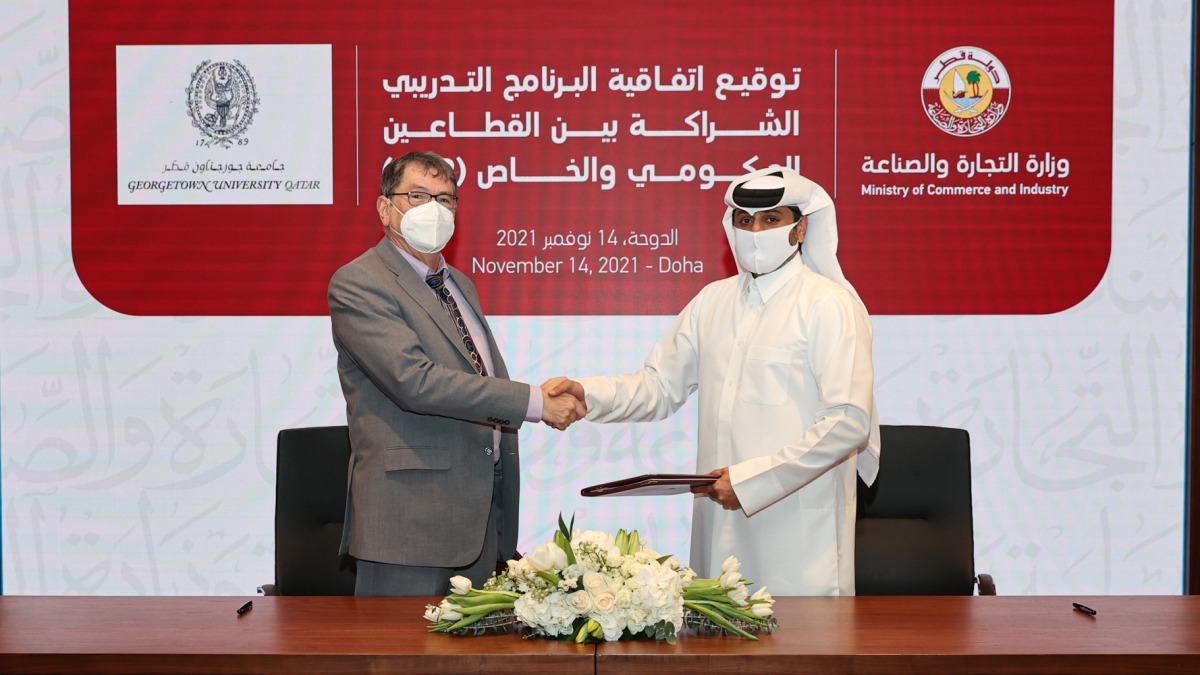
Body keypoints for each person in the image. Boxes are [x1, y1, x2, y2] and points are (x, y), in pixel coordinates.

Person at [551, 167, 881, 595]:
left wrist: (753, 482)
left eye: (770, 220)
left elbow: (848, 421)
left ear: (800, 229)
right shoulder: (712, 301)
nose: (755, 232)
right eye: (745, 221)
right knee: (717, 652)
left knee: (797, 654)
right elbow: (657, 387)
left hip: (797, 533)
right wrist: (587, 394)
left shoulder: (829, 305)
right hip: (718, 518)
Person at [328, 151, 583, 596]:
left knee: (474, 665)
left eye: (445, 199)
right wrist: (535, 403)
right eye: (418, 195)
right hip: (408, 528)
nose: (434, 209)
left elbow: (477, 379)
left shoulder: (459, 284)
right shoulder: (360, 281)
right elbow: (415, 382)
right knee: (401, 664)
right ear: (385, 208)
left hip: (480, 527)